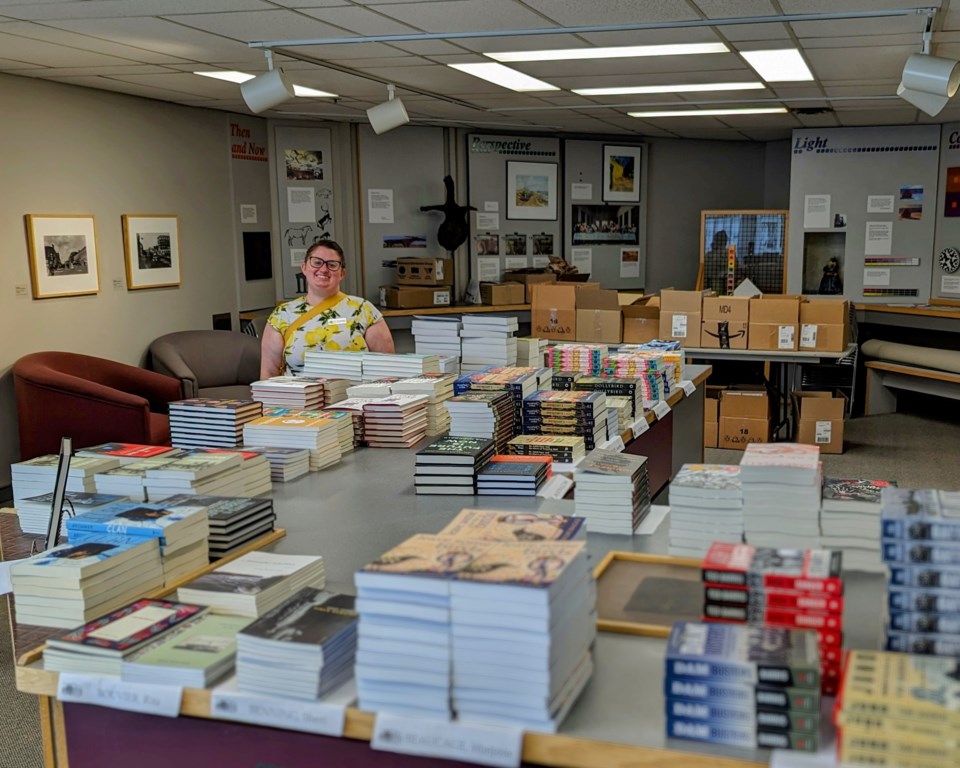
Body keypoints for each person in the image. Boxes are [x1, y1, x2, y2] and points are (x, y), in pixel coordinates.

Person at [260, 240, 395, 377]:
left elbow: (387, 370)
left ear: (342, 273)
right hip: (299, 397)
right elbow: (268, 374)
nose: (324, 269)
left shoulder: (364, 310)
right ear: (304, 268)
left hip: (354, 396)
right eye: (317, 262)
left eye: (332, 265)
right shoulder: (282, 315)